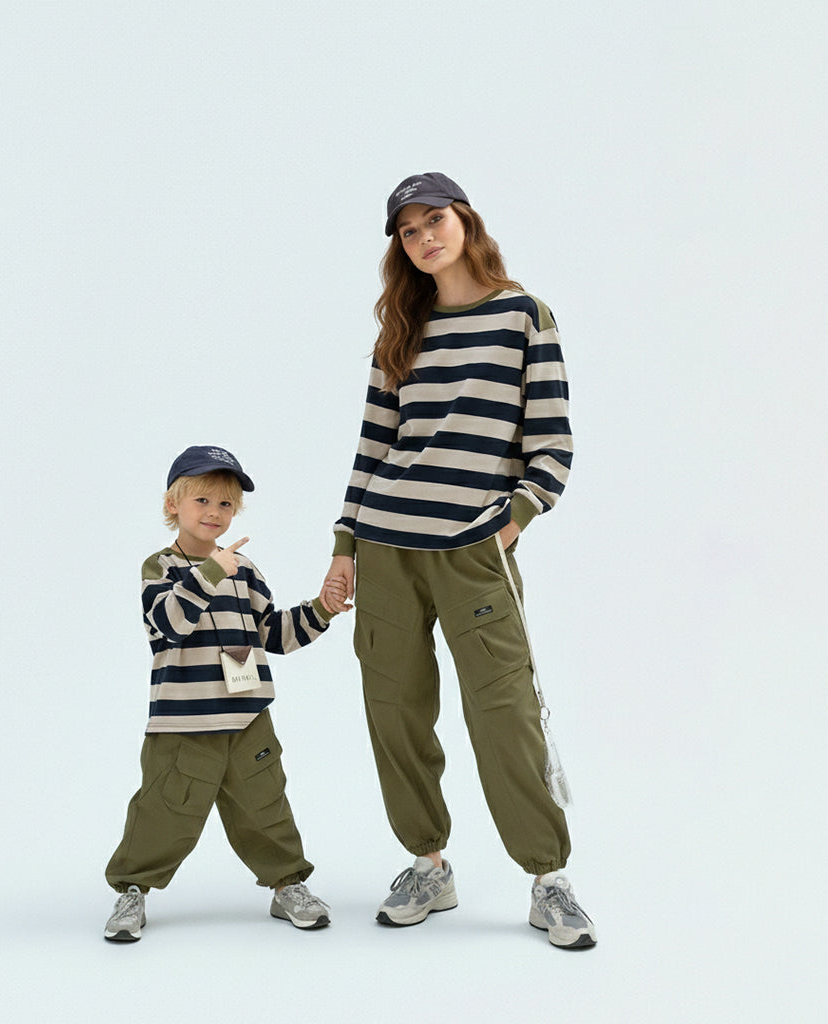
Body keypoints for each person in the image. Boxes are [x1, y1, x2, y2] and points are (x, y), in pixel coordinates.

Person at [320, 172, 596, 949]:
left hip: (473, 552)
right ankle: (428, 864)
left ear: (465, 221)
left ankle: (548, 879)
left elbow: (552, 446)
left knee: (505, 714)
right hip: (385, 546)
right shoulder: (400, 331)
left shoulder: (523, 316)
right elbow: (372, 448)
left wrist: (508, 524)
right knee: (397, 714)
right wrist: (345, 546)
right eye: (408, 232)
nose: (424, 238)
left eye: (434, 219)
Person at [104, 445, 338, 942]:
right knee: (163, 811)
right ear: (174, 504)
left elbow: (273, 634)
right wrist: (212, 571)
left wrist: (322, 608)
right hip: (183, 723)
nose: (214, 512)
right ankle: (133, 893)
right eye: (202, 501)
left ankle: (287, 885)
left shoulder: (244, 569)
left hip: (247, 717)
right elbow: (169, 624)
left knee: (266, 807)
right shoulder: (160, 566)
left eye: (226, 505)